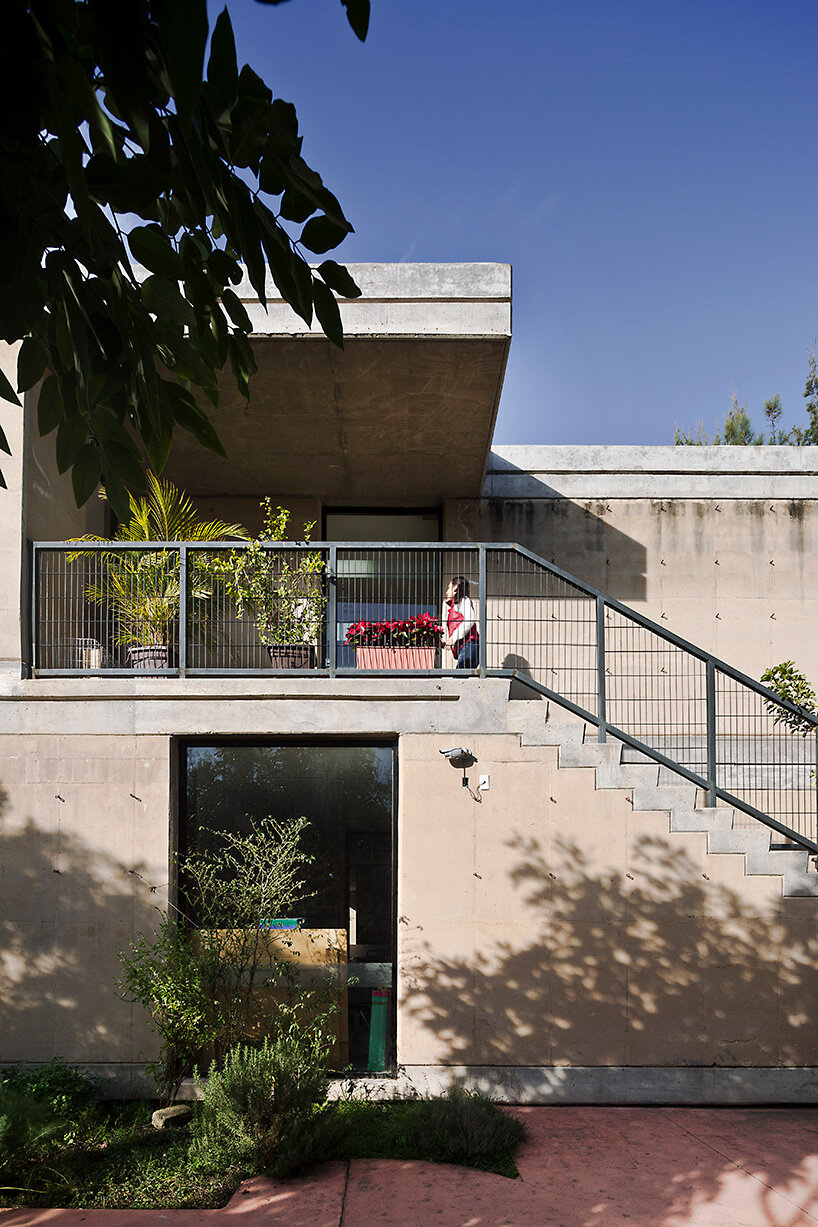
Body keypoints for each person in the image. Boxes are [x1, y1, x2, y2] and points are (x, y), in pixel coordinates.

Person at [442, 576, 479, 670]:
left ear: (455, 587)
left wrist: (453, 638)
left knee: (459, 678)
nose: (446, 592)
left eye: (449, 588)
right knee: (461, 679)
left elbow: (470, 620)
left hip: (469, 646)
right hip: (466, 647)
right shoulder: (456, 604)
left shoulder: (464, 600)